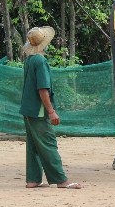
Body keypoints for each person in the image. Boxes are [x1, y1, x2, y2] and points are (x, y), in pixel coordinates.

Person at [19, 26, 82, 189]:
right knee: (48, 143)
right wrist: (51, 111)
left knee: (33, 144)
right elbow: (43, 89)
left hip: (28, 110)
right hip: (38, 111)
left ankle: (33, 180)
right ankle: (61, 180)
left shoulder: (30, 60)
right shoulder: (40, 61)